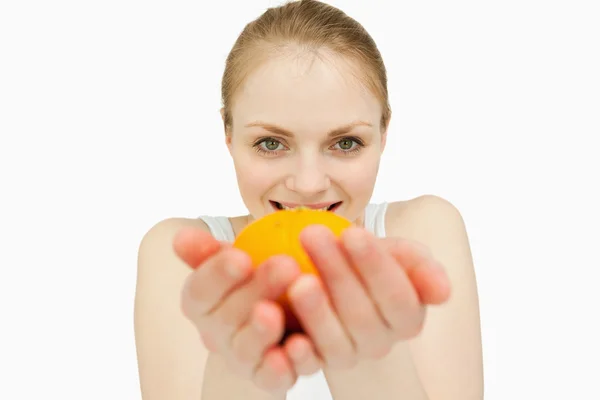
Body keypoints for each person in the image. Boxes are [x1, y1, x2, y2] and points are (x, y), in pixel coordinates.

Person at [134, 0, 484, 399]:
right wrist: (238, 367)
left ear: (384, 134)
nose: (309, 184)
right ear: (228, 135)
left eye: (346, 142)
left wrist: (372, 358)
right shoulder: (183, 257)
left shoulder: (423, 232)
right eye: (270, 143)